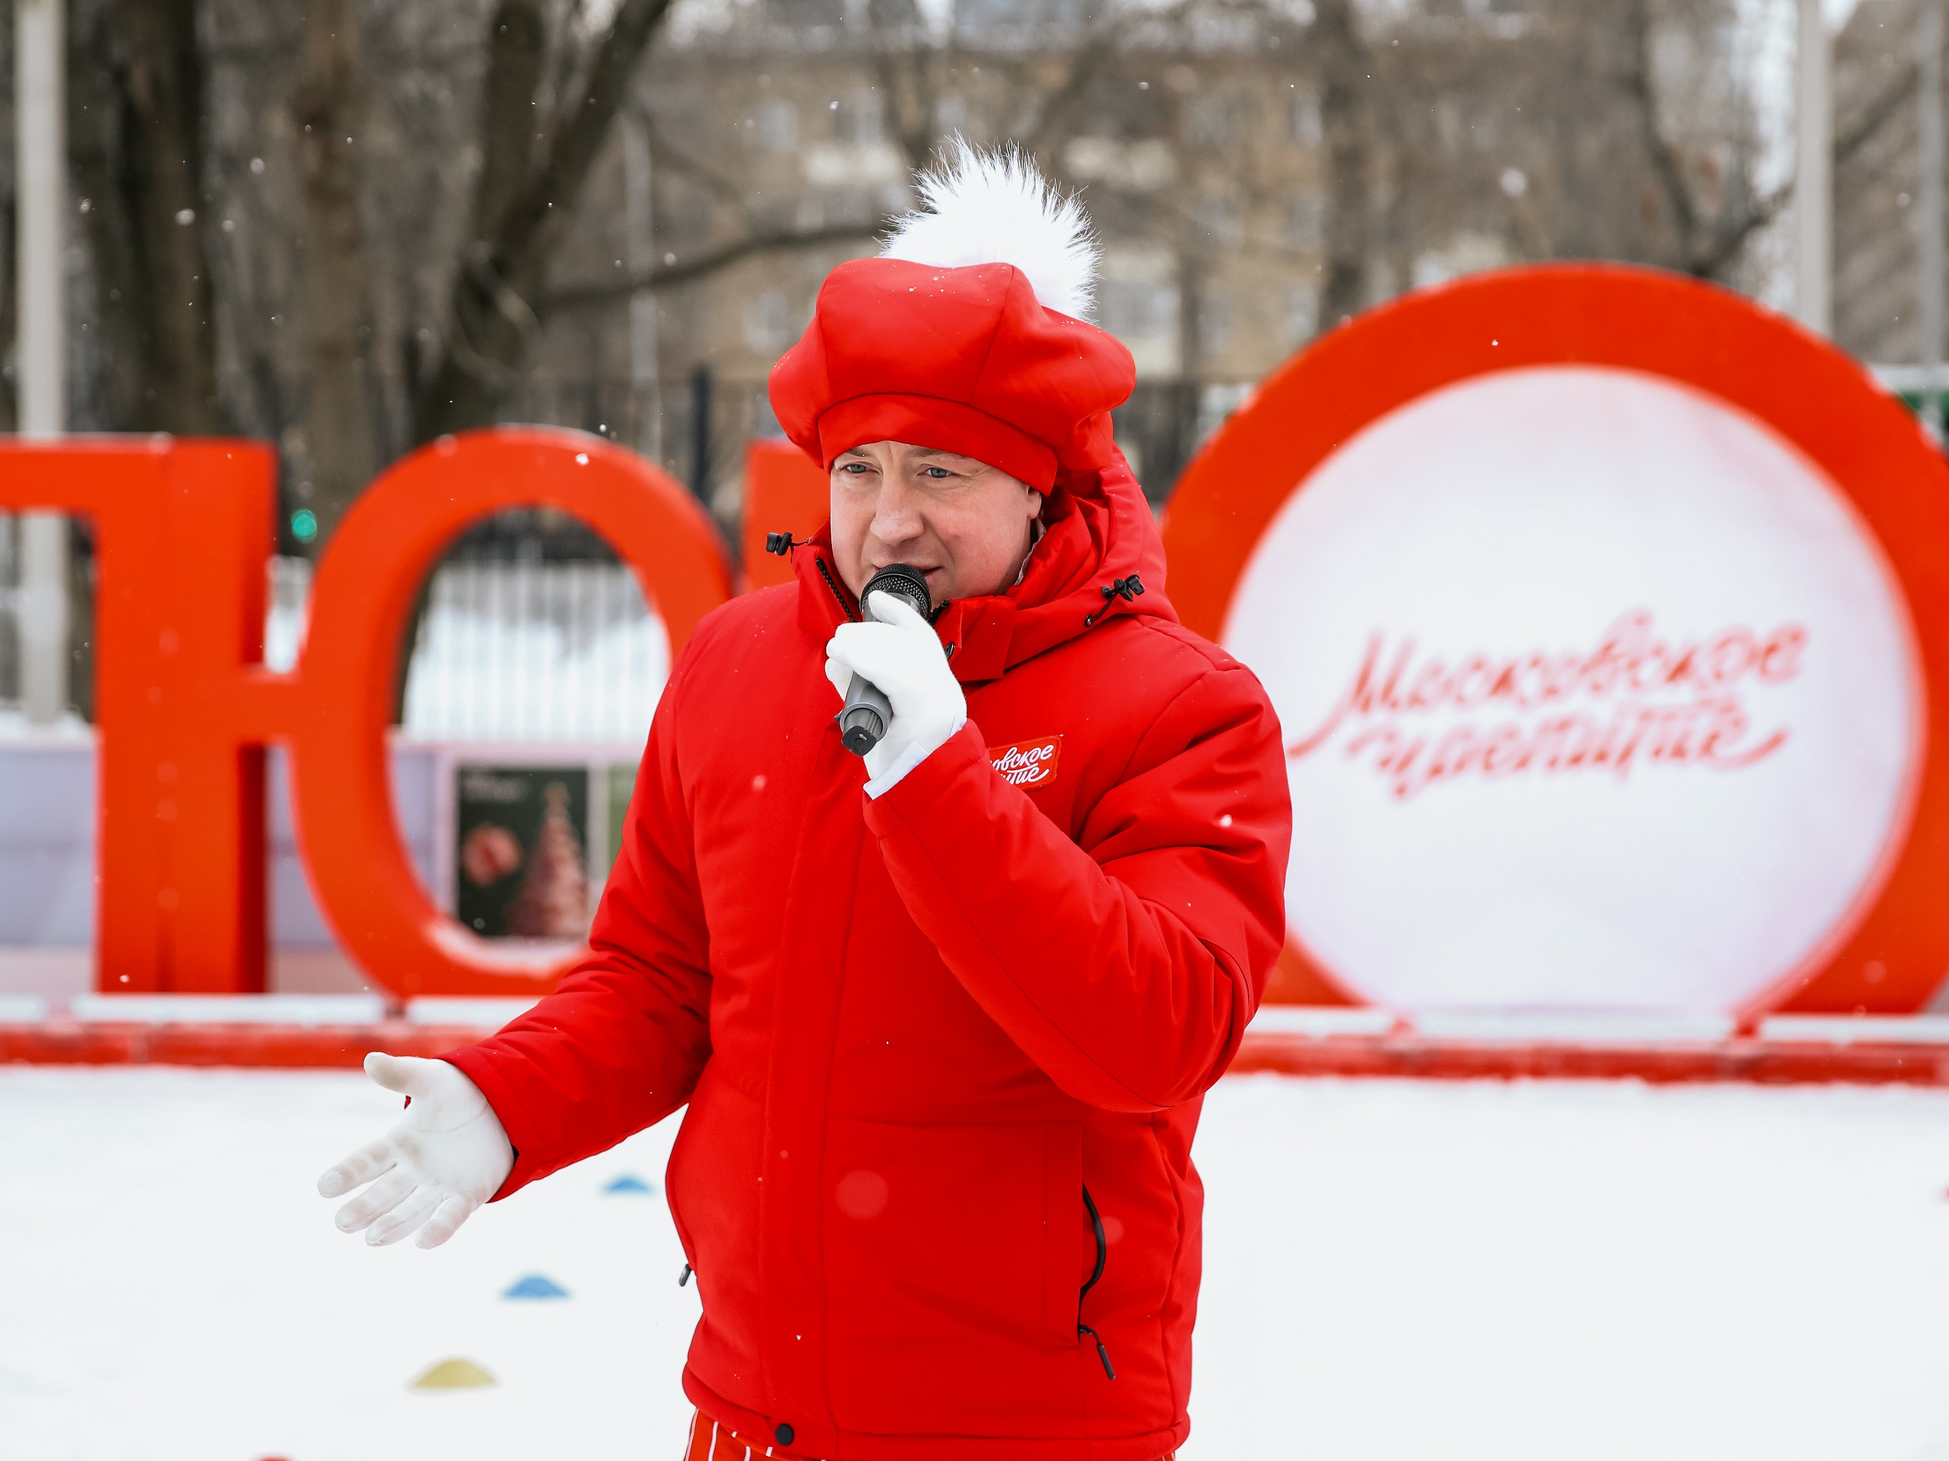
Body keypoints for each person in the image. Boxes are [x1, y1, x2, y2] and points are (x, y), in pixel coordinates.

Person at [318, 144, 1291, 1461]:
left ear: (1038, 486)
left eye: (941, 472)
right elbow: (659, 982)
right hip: (751, 1415)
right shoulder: (733, 666)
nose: (891, 521)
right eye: (859, 471)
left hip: (1032, 1430)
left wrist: (940, 775)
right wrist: (510, 1105)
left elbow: (1154, 1037)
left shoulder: (1183, 708)